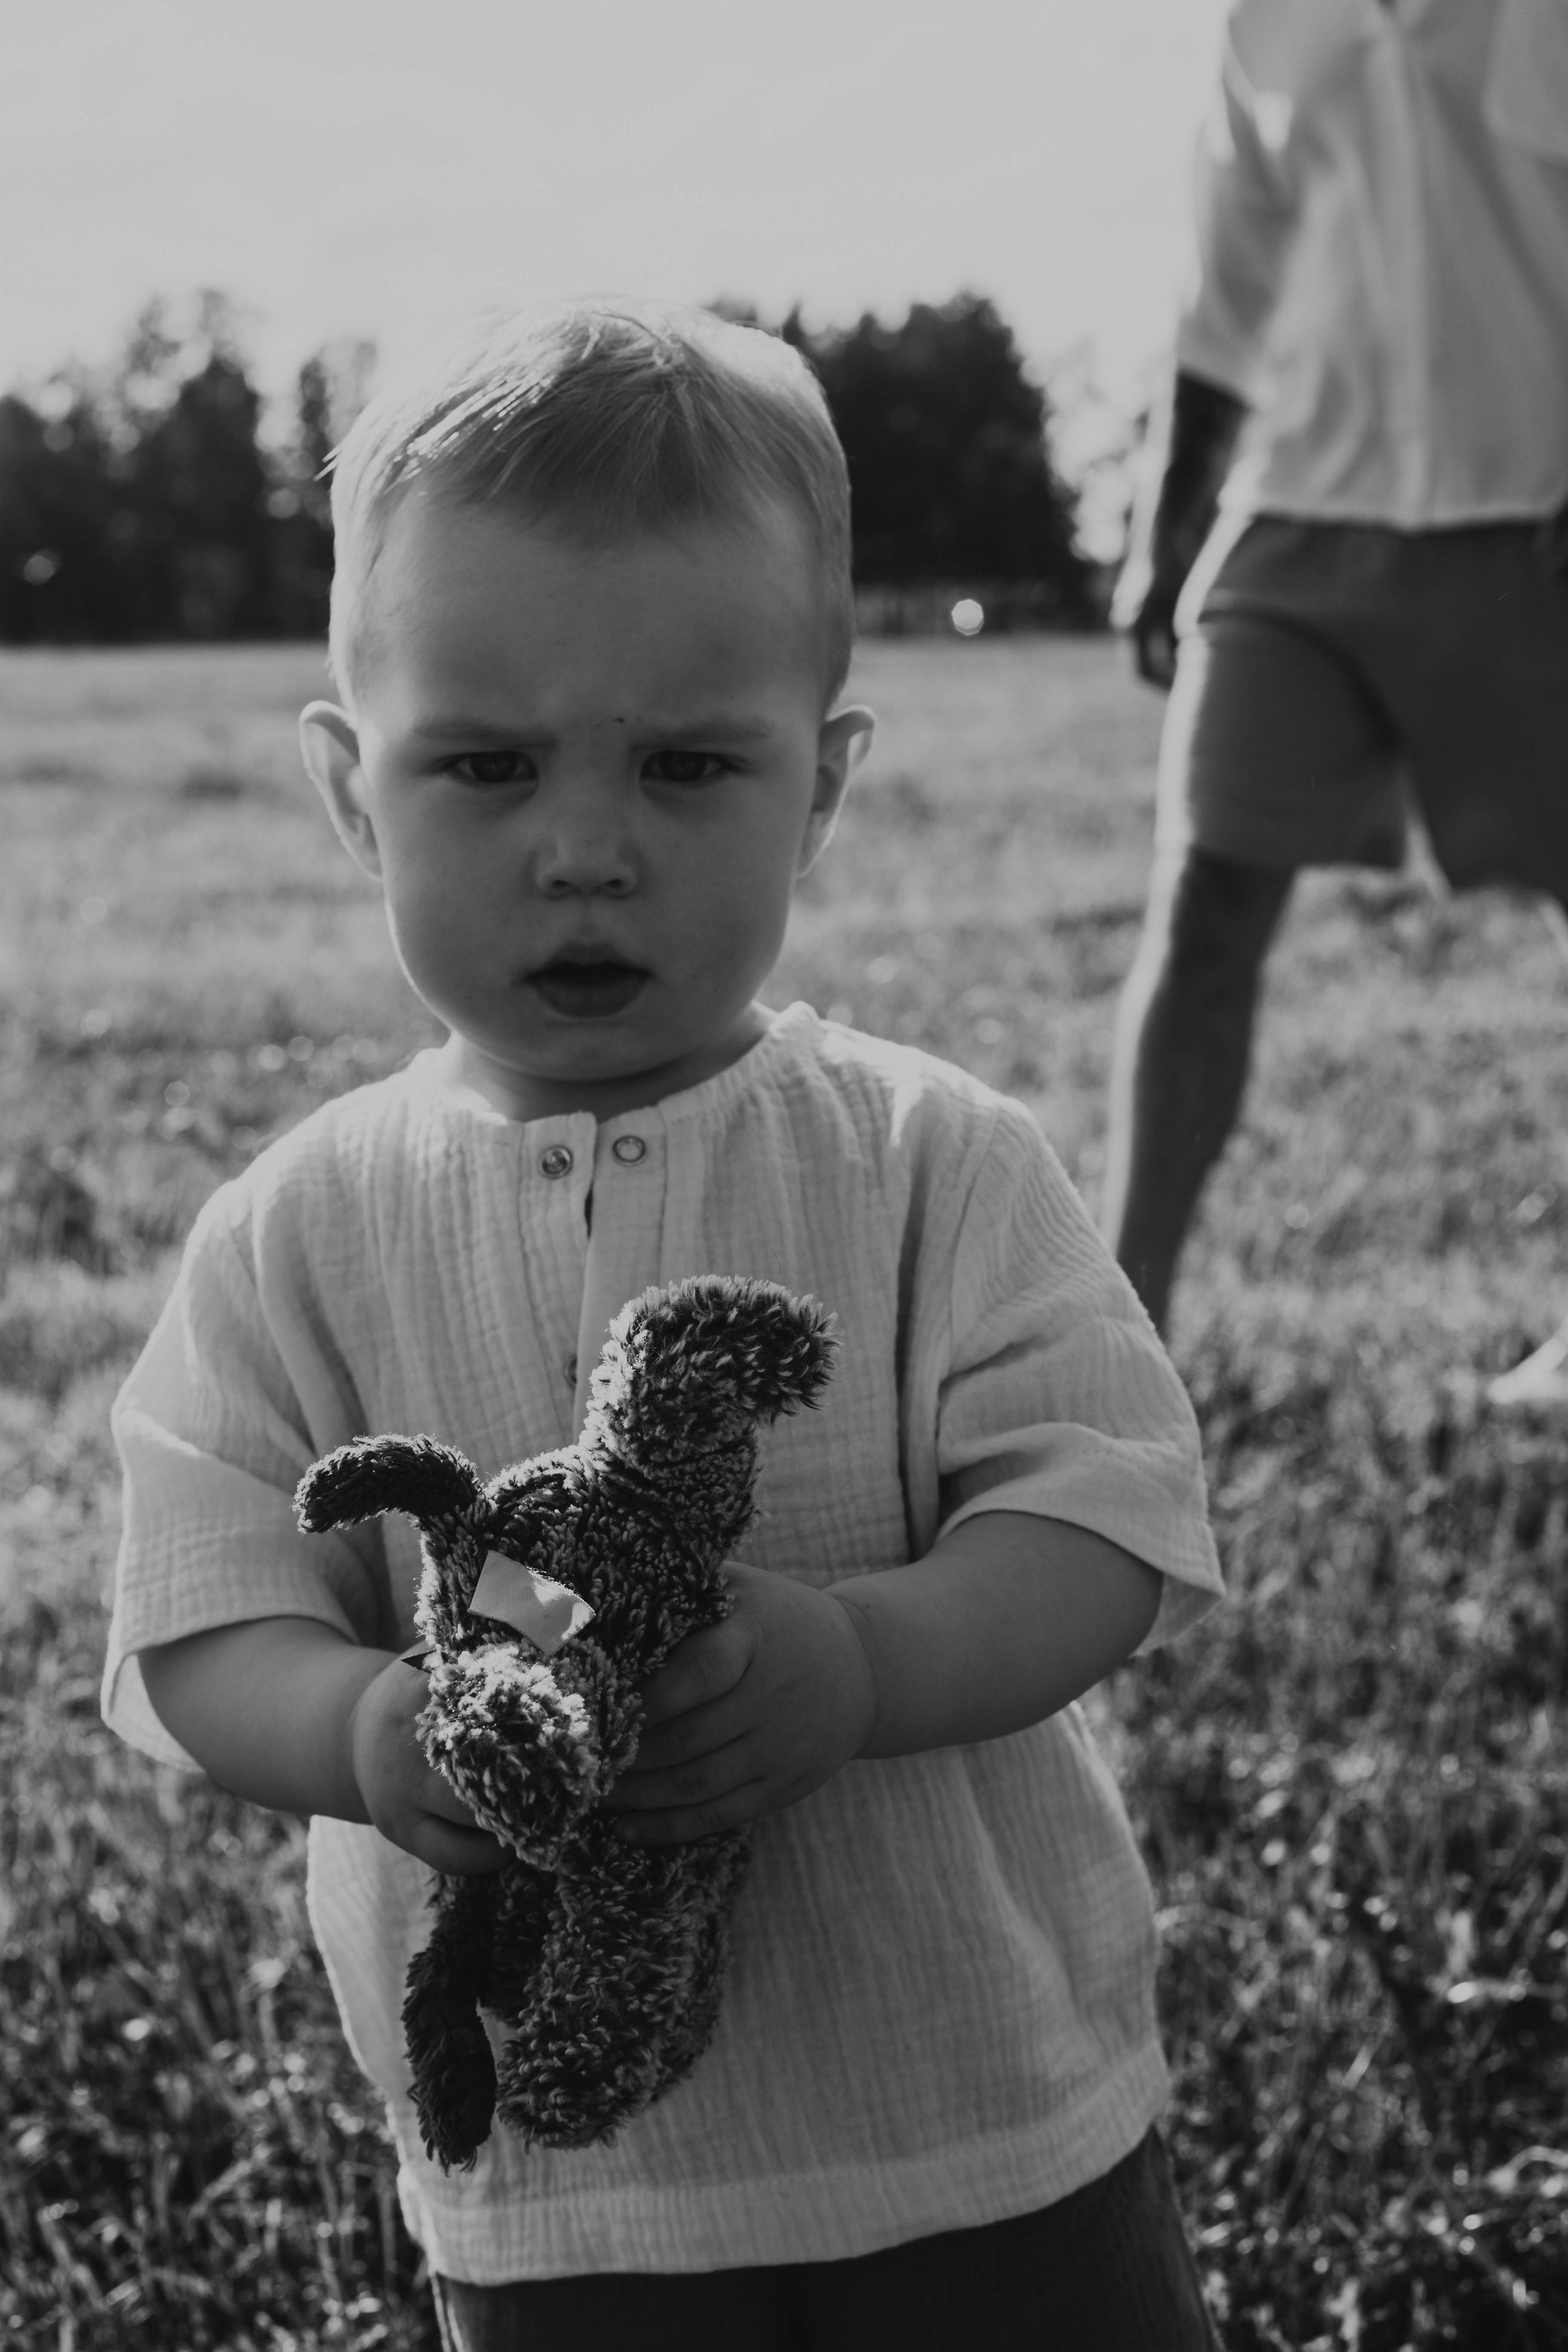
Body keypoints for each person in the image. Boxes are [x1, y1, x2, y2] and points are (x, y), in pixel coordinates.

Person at [102, 301, 1224, 2351]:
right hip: (563, 2198)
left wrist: (866, 1658)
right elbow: (198, 1620)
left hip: (988, 2123)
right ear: (356, 795)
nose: (588, 848)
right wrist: (369, 1733)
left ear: (823, 790)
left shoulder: (928, 1160)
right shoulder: (293, 1233)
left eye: (693, 764)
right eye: (488, 764)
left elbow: (1105, 1520)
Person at [1105, 0, 1568, 1368]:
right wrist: (1161, 531)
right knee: (1200, 908)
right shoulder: (1266, 24)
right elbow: (1222, 294)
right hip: (1293, 521)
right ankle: (1118, 1353)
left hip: (1524, 524)